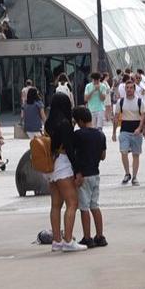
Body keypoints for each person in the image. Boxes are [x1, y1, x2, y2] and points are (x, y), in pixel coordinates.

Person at [43, 92, 86, 252]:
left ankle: (56, 240)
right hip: (62, 164)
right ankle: (68, 240)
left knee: (55, 204)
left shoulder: (49, 123)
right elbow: (69, 150)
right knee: (72, 202)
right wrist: (78, 170)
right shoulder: (65, 123)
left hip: (50, 165)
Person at [71, 104, 109, 247]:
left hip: (83, 175)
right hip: (95, 173)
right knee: (95, 205)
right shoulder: (100, 134)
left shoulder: (78, 135)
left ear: (80, 121)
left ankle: (87, 237)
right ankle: (100, 235)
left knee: (84, 207)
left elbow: (72, 153)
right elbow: (103, 156)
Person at [117, 79, 145, 185]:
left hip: (136, 130)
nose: (129, 90)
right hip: (124, 129)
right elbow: (116, 117)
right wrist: (114, 133)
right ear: (125, 89)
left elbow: (143, 116)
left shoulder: (139, 101)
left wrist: (140, 128)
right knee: (123, 151)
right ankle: (127, 173)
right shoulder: (121, 102)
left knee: (136, 154)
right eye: (127, 88)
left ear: (134, 89)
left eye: (131, 88)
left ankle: (134, 177)